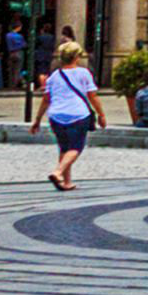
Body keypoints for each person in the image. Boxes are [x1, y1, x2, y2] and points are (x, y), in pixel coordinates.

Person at [39, 37, 99, 188]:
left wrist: (37, 120)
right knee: (75, 148)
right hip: (78, 115)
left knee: (64, 148)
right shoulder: (84, 73)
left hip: (56, 116)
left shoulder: (54, 75)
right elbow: (92, 96)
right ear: (77, 57)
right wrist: (101, 115)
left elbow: (46, 99)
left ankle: (66, 182)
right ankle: (58, 172)